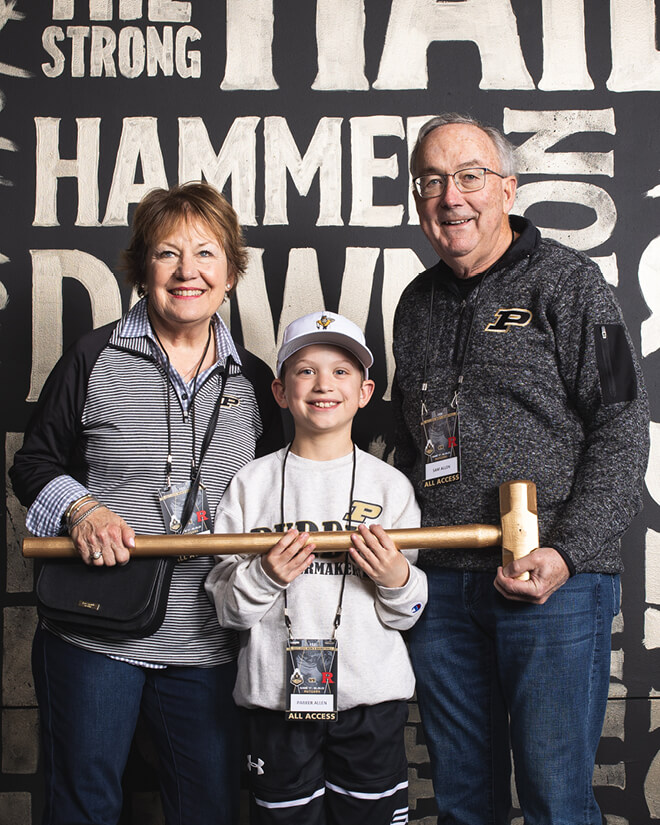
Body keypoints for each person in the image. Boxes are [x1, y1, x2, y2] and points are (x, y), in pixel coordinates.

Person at [392, 113, 650, 825]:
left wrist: (567, 552)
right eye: (432, 181)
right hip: (441, 586)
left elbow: (624, 421)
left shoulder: (573, 284)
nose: (452, 196)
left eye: (470, 176)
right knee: (462, 799)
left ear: (508, 187)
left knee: (554, 798)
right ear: (418, 200)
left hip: (552, 585)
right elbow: (406, 440)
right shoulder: (414, 304)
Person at [10, 182, 283, 825]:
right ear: (142, 268)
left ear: (231, 269)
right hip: (93, 631)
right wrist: (82, 511)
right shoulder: (93, 356)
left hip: (209, 643)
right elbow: (34, 464)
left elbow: (281, 485)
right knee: (84, 807)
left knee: (208, 810)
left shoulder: (254, 377)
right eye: (168, 254)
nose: (188, 272)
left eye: (207, 253)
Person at [205, 310, 427, 825]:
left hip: (369, 704)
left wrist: (395, 579)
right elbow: (225, 611)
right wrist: (266, 577)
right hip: (274, 705)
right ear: (281, 392)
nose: (324, 384)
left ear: (366, 391)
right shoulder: (249, 483)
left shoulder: (391, 486)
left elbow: (410, 610)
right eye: (305, 370)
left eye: (341, 371)